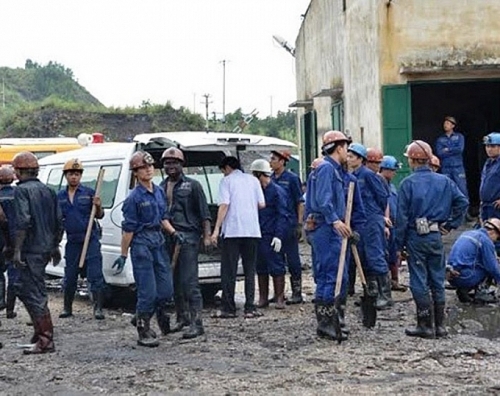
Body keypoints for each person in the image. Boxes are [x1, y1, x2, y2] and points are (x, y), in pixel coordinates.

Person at [396, 140, 468, 339]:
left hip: (415, 237)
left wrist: (398, 245)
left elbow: (401, 218)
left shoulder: (407, 184)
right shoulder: (444, 181)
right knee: (437, 278)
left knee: (419, 279)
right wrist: (450, 224)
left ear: (412, 160)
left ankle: (425, 325)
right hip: (436, 236)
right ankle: (440, 326)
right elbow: (463, 202)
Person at [113, 151, 177, 347]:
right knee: (147, 291)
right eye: (143, 167)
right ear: (136, 172)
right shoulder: (133, 198)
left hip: (158, 240)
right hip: (141, 244)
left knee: (166, 290)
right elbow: (128, 229)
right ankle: (143, 328)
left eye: (150, 166)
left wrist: (173, 233)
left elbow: (163, 217)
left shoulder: (158, 191)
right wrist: (123, 254)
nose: (148, 169)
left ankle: (142, 314)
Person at [11, 151, 63, 354]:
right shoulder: (49, 191)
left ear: (19, 171)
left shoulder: (21, 192)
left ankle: (45, 340)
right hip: (44, 249)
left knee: (33, 292)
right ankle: (39, 332)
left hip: (30, 249)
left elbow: (23, 221)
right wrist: (55, 246)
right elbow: (59, 221)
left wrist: (17, 250)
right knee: (26, 289)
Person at [160, 147, 211, 339]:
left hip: (188, 238)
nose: (171, 166)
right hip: (169, 238)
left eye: (174, 163)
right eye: (167, 163)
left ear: (182, 165)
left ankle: (197, 323)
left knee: (190, 282)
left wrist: (206, 236)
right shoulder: (161, 187)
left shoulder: (193, 185)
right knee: (175, 282)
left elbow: (204, 213)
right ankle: (182, 318)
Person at [305, 130, 351, 341]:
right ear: (339, 147)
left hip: (328, 226)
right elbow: (323, 200)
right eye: (346, 148)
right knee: (329, 275)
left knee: (334, 275)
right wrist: (335, 220)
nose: (347, 153)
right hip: (326, 227)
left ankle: (332, 321)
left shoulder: (332, 170)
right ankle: (325, 324)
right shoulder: (325, 169)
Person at [210, 156, 265, 319]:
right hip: (252, 231)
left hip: (233, 231)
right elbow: (262, 204)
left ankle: (229, 308)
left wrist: (216, 229)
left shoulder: (226, 182)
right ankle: (250, 307)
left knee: (229, 271)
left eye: (223, 171)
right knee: (249, 270)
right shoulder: (253, 180)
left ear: (227, 168)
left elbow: (224, 204)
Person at [57, 158, 107, 320]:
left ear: (80, 176)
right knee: (70, 275)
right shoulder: (60, 197)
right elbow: (57, 219)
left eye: (77, 174)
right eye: (71, 174)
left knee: (95, 274)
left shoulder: (89, 193)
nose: (74, 177)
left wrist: (98, 205)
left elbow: (99, 215)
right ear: (66, 176)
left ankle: (98, 309)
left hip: (90, 239)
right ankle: (67, 308)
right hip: (73, 241)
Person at [347, 142, 392, 310]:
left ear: (360, 159)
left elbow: (382, 197)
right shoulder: (352, 176)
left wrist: (377, 215)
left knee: (375, 256)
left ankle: (385, 295)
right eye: (348, 156)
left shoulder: (369, 175)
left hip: (372, 221)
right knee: (363, 257)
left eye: (352, 156)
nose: (349, 159)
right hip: (359, 222)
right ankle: (371, 293)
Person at [250, 159, 290, 310]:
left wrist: (279, 235)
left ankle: (279, 297)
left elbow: (282, 215)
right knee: (260, 266)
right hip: (259, 233)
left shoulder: (277, 191)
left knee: (276, 265)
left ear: (260, 175)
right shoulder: (257, 191)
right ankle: (263, 298)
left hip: (272, 234)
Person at [269, 149, 304, 304]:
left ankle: (297, 292)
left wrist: (299, 224)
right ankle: (279, 293)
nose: (271, 161)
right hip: (275, 225)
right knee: (276, 259)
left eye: (274, 159)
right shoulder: (270, 179)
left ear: (283, 161)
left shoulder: (292, 179)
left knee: (293, 260)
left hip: (289, 224)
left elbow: (299, 202)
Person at [446, 218, 500, 303]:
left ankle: (464, 291)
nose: (495, 241)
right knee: (490, 266)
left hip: (451, 276)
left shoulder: (468, 233)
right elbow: (493, 268)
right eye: (497, 238)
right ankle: (481, 293)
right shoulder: (485, 240)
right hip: (465, 277)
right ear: (493, 232)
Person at [379, 155, 406, 292]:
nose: (395, 173)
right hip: (382, 226)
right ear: (385, 169)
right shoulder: (378, 183)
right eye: (393, 170)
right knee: (382, 255)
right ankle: (383, 286)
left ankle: (394, 281)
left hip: (394, 225)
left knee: (394, 253)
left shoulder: (391, 186)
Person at [0, 166, 19, 319]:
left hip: (2, 240)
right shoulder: (18, 195)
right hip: (14, 240)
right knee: (13, 274)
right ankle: (10, 310)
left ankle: (1, 302)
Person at [435, 116, 468, 199]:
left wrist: (447, 149)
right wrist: (453, 150)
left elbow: (460, 149)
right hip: (446, 167)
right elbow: (440, 153)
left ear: (453, 126)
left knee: (462, 189)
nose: (445, 125)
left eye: (448, 123)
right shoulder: (440, 139)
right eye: (444, 123)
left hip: (458, 167)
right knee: (447, 189)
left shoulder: (459, 137)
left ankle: (464, 211)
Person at [480, 133, 500, 227]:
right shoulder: (488, 162)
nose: (489, 149)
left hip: (497, 207)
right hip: (486, 206)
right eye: (487, 146)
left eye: (493, 146)